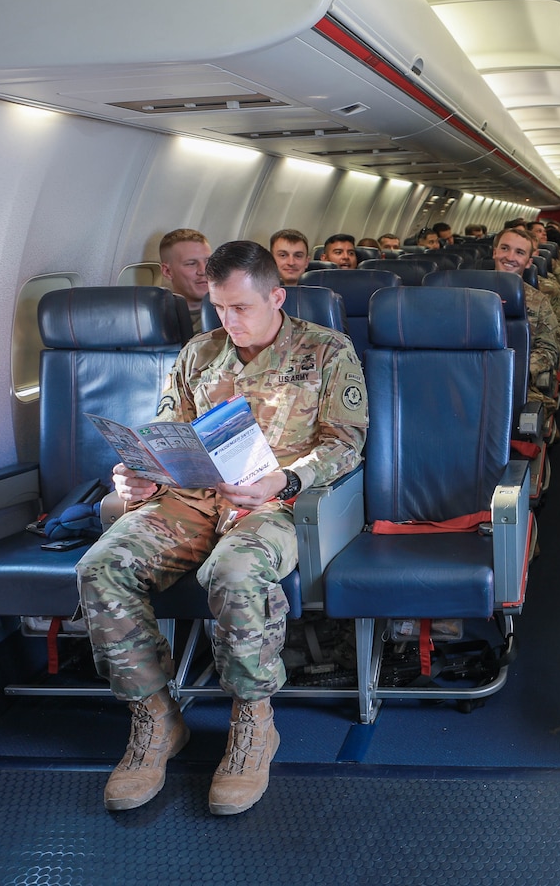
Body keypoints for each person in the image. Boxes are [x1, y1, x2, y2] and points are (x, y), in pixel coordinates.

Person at [76, 240, 367, 817]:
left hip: (272, 504)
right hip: (190, 499)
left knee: (235, 573)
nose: (227, 321)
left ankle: (253, 724)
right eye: (218, 308)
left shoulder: (326, 350)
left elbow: (345, 443)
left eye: (240, 308)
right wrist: (139, 476)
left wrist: (284, 481)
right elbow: (165, 429)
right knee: (100, 567)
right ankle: (155, 719)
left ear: (276, 297)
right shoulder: (199, 352)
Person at [490, 226, 560, 409]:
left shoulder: (539, 301)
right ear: (494, 252)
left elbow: (549, 350)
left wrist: (519, 369)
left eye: (519, 252)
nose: (510, 257)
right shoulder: (468, 294)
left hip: (517, 384)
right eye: (505, 248)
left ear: (529, 262)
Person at [159, 228, 210, 327]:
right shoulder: (157, 320)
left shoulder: (232, 314)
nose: (203, 271)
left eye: (208, 261)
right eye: (191, 263)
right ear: (167, 272)